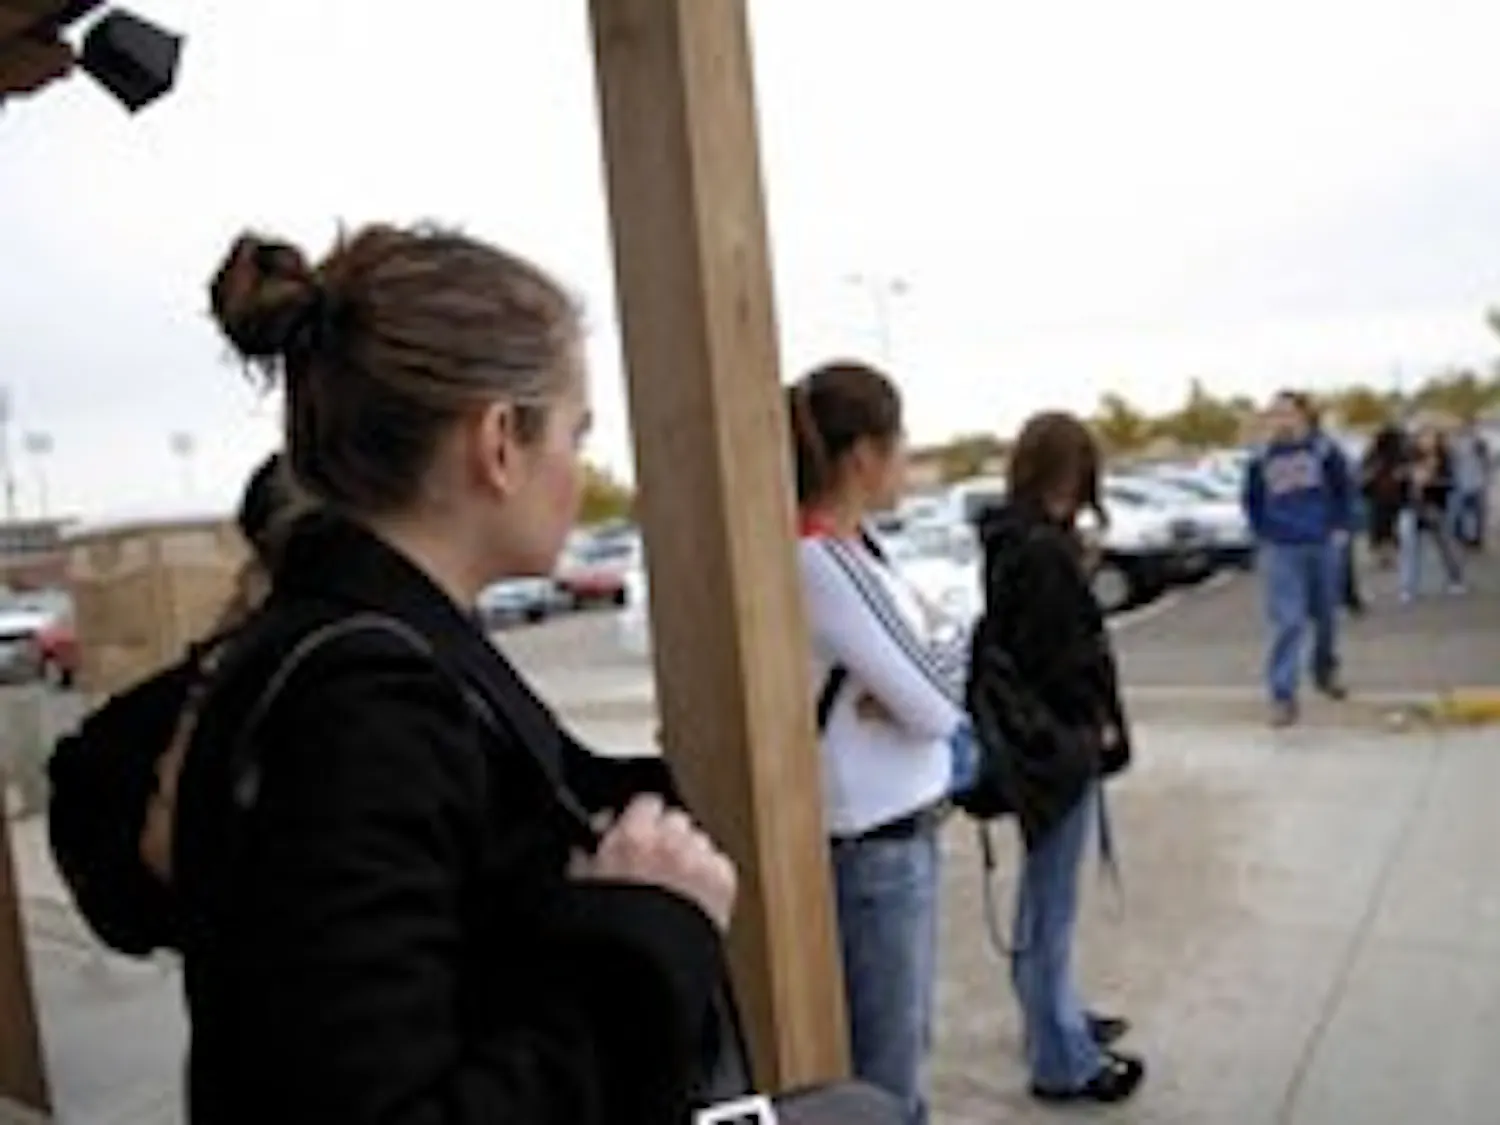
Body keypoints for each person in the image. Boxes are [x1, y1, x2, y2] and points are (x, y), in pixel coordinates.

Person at [172, 226, 738, 1125]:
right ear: (500, 439)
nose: (580, 470)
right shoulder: (365, 708)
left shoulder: (346, 648)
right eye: (575, 432)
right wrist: (643, 934)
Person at [786, 360, 967, 1125]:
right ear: (863, 454)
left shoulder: (856, 550)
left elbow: (932, 667)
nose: (908, 462)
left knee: (898, 1060)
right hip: (876, 854)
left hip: (892, 843)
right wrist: (944, 639)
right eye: (901, 445)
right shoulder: (823, 557)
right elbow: (939, 703)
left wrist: (935, 645)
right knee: (887, 1085)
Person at [966, 411, 1143, 1105]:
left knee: (1047, 900)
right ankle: (1060, 1056)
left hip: (1038, 742)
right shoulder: (1040, 551)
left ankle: (1058, 1017)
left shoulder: (1016, 541)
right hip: (1057, 746)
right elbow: (1060, 655)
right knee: (1050, 906)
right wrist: (1092, 723)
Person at [1242, 391, 1353, 726]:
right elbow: (1252, 500)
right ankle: (1282, 695)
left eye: (1287, 413)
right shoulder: (1262, 457)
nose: (1281, 420)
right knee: (1288, 621)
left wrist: (1341, 527)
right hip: (1281, 547)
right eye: (1274, 414)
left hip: (1321, 541)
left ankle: (1325, 670)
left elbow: (1344, 489)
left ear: (1303, 416)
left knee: (1326, 617)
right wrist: (1264, 532)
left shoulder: (1323, 450)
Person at [1398, 424, 1465, 602]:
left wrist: (1432, 481)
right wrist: (1409, 477)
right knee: (1409, 548)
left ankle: (1455, 578)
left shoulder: (1444, 458)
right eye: (1423, 437)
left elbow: (1452, 483)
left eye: (1430, 438)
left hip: (1435, 506)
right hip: (1411, 507)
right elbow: (1399, 479)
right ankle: (1408, 587)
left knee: (1445, 546)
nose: (1426, 441)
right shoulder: (1408, 457)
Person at [1360, 424, 1408, 570]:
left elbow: (1365, 472)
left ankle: (1383, 556)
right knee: (1390, 527)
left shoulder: (1374, 454)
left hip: (1379, 496)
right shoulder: (1400, 454)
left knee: (1379, 527)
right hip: (1393, 496)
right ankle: (1388, 556)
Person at [1448, 420, 1491, 551]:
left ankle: (1474, 538)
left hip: (1476, 482)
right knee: (1463, 511)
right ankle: (1461, 535)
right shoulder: (1458, 444)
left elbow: (1487, 462)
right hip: (1465, 482)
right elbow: (1453, 462)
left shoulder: (1480, 444)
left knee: (1475, 512)